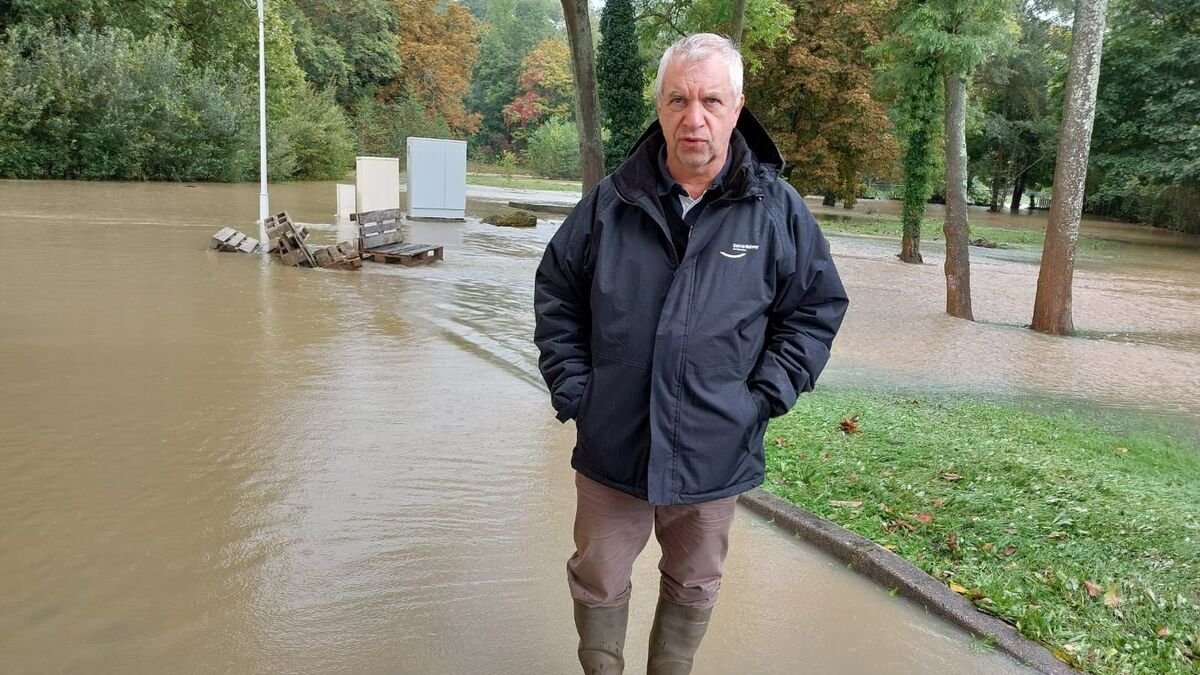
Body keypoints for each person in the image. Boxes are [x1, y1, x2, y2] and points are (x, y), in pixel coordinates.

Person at [534, 33, 849, 674]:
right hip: (612, 444)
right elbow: (557, 294)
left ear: (737, 108)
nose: (693, 118)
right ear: (660, 106)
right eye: (678, 99)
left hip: (714, 449)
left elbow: (815, 310)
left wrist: (763, 396)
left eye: (710, 100)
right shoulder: (610, 204)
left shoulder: (776, 211)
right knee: (596, 576)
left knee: (695, 582)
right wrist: (576, 389)